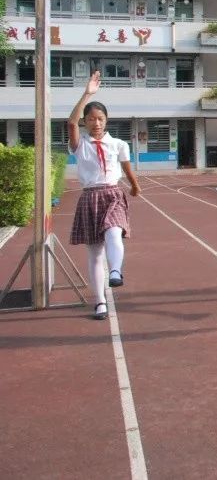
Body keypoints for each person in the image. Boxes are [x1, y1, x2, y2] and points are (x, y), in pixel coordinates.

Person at [68, 72, 140, 320]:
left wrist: (135, 186)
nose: (96, 123)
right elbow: (70, 123)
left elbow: (127, 168)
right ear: (85, 122)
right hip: (90, 197)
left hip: (112, 194)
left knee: (114, 230)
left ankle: (116, 272)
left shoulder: (119, 144)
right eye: (90, 119)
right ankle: (99, 302)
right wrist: (87, 93)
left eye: (100, 118)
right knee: (95, 254)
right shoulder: (80, 145)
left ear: (106, 120)